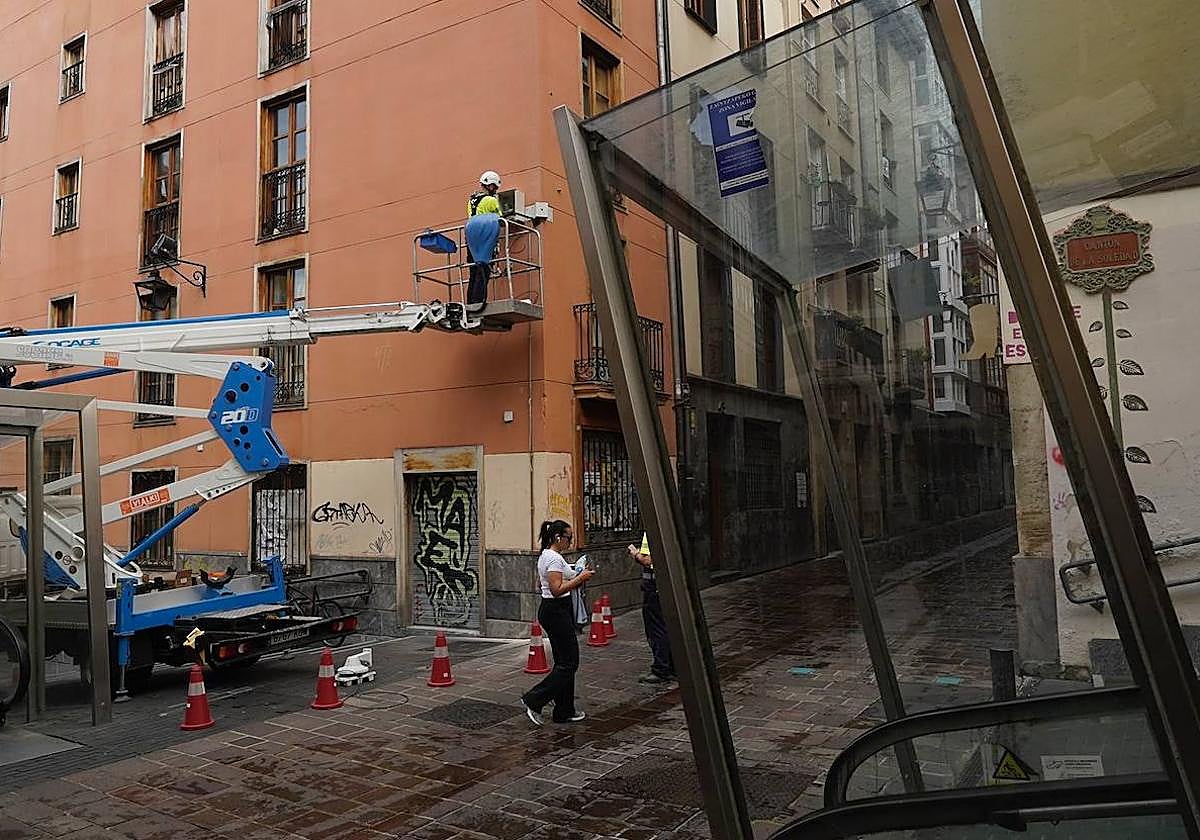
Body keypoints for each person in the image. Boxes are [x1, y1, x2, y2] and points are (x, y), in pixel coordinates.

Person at [522, 520, 594, 725]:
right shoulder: (553, 558)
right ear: (557, 538)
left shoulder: (547, 555)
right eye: (568, 538)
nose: (570, 542)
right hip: (556, 611)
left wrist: (575, 571)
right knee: (569, 663)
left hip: (554, 610)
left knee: (564, 662)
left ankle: (564, 710)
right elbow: (557, 589)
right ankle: (534, 699)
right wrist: (582, 578)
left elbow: (541, 583)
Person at [629, 532, 675, 684]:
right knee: (667, 626)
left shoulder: (652, 532)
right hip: (666, 585)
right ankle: (671, 666)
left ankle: (661, 668)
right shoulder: (669, 528)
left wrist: (635, 554)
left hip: (654, 587)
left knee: (656, 628)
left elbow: (648, 560)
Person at [465, 170, 504, 314]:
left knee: (473, 271)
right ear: (491, 186)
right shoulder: (491, 200)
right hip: (485, 235)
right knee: (484, 270)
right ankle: (478, 301)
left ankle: (470, 302)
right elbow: (499, 218)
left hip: (470, 235)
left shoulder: (471, 200)